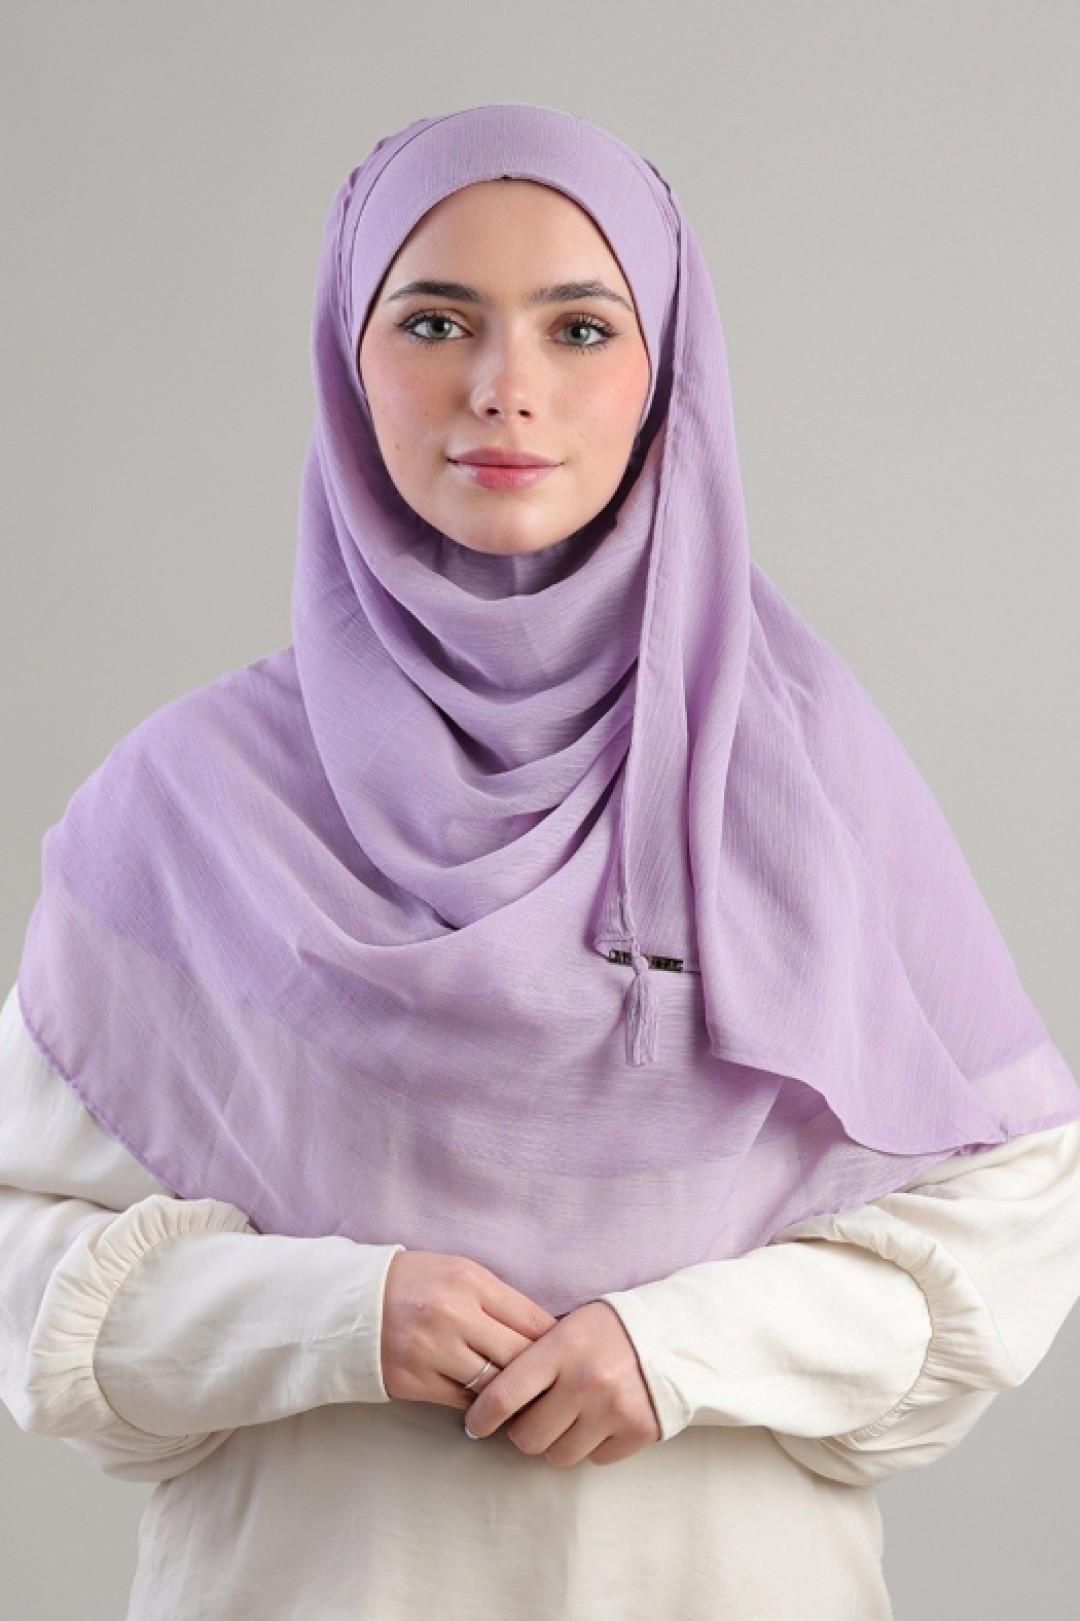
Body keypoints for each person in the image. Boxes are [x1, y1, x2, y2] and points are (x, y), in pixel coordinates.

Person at [2, 101, 1079, 1620]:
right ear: (347, 359)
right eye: (435, 321)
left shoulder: (802, 779)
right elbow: (25, 1265)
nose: (505, 388)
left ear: (665, 372)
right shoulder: (184, 804)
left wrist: (680, 1350)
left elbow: (1014, 1219)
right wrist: (338, 1315)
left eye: (580, 328)